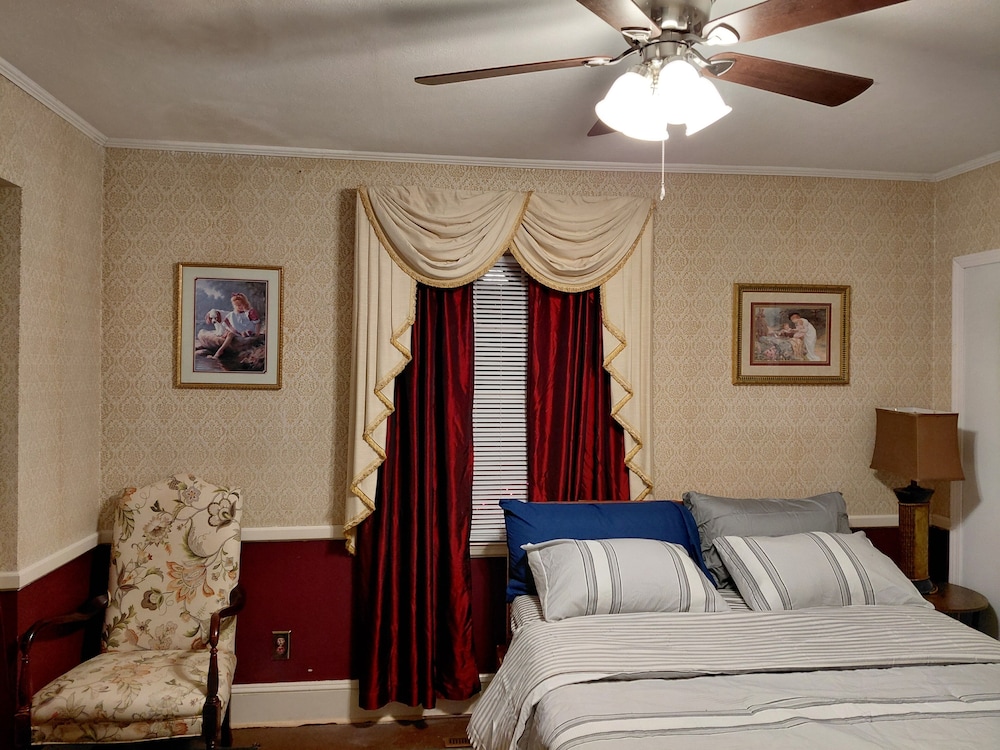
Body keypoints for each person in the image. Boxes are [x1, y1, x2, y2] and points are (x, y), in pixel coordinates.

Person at [211, 292, 261, 359]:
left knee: (245, 332)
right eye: (236, 305)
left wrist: (257, 334)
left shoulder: (250, 312)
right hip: (238, 330)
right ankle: (220, 351)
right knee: (230, 334)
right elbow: (227, 322)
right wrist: (231, 330)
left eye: (240, 305)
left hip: (248, 328)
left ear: (245, 303)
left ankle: (246, 333)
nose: (239, 307)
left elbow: (257, 323)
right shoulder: (233, 314)